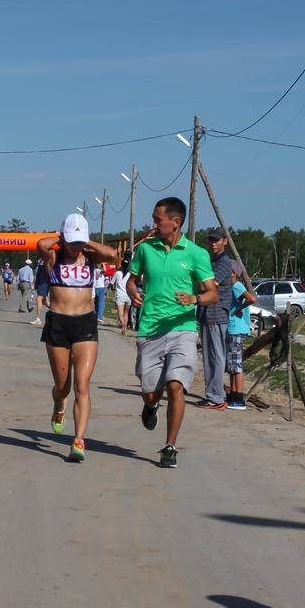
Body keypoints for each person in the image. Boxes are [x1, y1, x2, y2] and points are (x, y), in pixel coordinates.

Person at [127, 197, 217, 469]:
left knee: (176, 385)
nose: (154, 224)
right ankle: (151, 406)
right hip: (150, 329)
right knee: (151, 393)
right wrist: (133, 292)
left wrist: (195, 299)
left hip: (182, 329)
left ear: (175, 222)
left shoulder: (196, 254)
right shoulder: (146, 249)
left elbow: (212, 293)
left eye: (158, 220)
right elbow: (131, 280)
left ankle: (170, 447)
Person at [37, 214, 117, 462]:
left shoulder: (90, 257)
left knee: (82, 384)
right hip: (58, 324)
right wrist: (62, 238)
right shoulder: (54, 257)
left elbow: (112, 254)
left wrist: (86, 242)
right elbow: (41, 244)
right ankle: (59, 404)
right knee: (63, 386)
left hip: (85, 325)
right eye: (71, 241)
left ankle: (79, 440)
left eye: (78, 241)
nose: (75, 247)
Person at [197, 227, 235, 410]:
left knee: (216, 356)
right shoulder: (213, 260)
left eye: (217, 240)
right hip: (207, 313)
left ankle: (217, 397)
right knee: (208, 357)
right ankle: (212, 394)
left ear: (225, 241)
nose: (213, 243)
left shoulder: (224, 261)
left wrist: (196, 282)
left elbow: (209, 285)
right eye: (211, 240)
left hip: (217, 313)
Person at [226, 262, 256, 411]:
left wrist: (239, 308)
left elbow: (251, 298)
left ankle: (239, 398)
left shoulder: (236, 286)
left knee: (236, 364)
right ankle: (233, 394)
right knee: (232, 364)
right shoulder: (232, 287)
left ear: (234, 273)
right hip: (232, 328)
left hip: (236, 328)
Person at [112, 259, 132, 335]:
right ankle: (125, 328)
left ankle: (123, 326)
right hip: (128, 296)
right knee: (126, 313)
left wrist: (108, 288)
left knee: (120, 313)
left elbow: (112, 282)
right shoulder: (130, 274)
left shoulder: (117, 273)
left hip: (120, 296)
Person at [33, 258, 50, 325]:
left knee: (38, 298)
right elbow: (38, 273)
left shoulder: (48, 258)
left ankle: (38, 319)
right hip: (40, 282)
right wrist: (36, 284)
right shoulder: (40, 260)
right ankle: (57, 312)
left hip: (45, 281)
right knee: (44, 301)